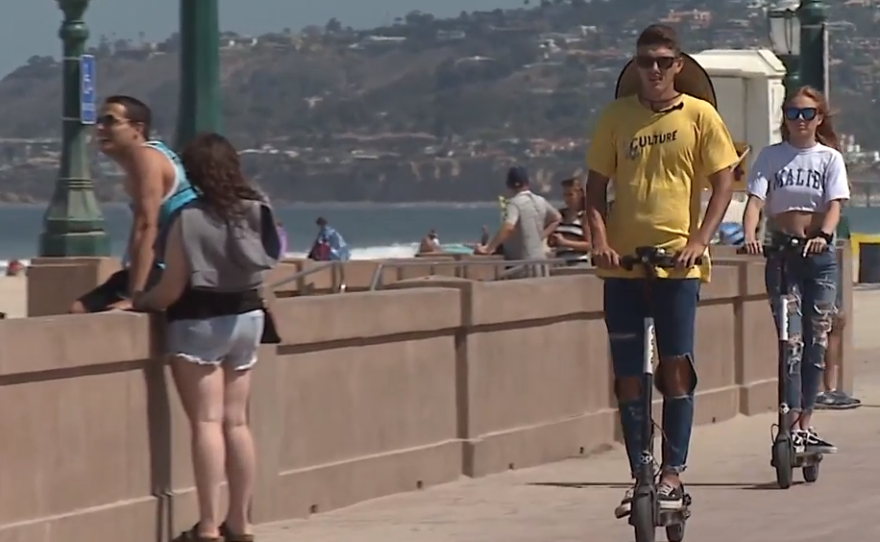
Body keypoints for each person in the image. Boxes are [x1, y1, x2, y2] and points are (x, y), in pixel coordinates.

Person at [585, 25, 738, 515]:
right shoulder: (616, 117)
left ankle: (672, 472)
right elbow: (593, 189)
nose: (654, 69)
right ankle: (640, 473)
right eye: (646, 61)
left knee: (675, 370)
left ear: (677, 66)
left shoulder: (701, 116)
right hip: (624, 268)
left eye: (663, 61)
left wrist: (699, 241)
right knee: (629, 377)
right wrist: (601, 242)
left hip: (678, 265)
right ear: (635, 66)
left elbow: (723, 185)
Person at [133, 133, 280, 542]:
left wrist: (142, 299)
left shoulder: (189, 217)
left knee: (206, 422)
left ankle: (210, 525)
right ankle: (242, 521)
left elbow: (173, 287)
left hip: (199, 321)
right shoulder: (256, 208)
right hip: (248, 316)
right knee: (237, 423)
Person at [743, 86, 853, 431]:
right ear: (785, 119)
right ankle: (787, 418)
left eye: (808, 114)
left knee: (816, 339)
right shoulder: (771, 156)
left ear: (819, 119)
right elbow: (756, 201)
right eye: (793, 113)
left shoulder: (829, 158)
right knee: (790, 340)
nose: (801, 120)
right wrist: (750, 235)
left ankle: (806, 418)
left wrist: (823, 236)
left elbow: (835, 204)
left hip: (817, 257)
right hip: (783, 252)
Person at [69, 95, 196, 313]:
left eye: (110, 121)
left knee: (81, 311)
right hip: (177, 265)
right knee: (79, 309)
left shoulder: (145, 157)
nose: (100, 128)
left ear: (137, 128)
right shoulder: (154, 156)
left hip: (172, 269)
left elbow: (147, 225)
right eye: (99, 121)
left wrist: (135, 295)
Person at [475, 166, 561, 275]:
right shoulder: (540, 201)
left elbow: (508, 227)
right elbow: (557, 218)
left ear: (508, 185)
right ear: (527, 182)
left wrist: (489, 248)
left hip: (522, 265)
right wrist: (540, 236)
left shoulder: (514, 203)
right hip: (541, 262)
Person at [815, 214, 861, 409]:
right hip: (820, 272)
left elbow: (845, 247)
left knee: (836, 325)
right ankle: (819, 389)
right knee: (820, 330)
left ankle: (829, 387)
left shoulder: (841, 219)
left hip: (833, 270)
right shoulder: (819, 215)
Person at [549, 177, 591, 264]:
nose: (567, 199)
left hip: (578, 264)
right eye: (565, 195)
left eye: (570, 195)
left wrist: (565, 243)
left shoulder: (584, 216)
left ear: (580, 195)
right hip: (560, 263)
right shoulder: (560, 214)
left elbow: (589, 245)